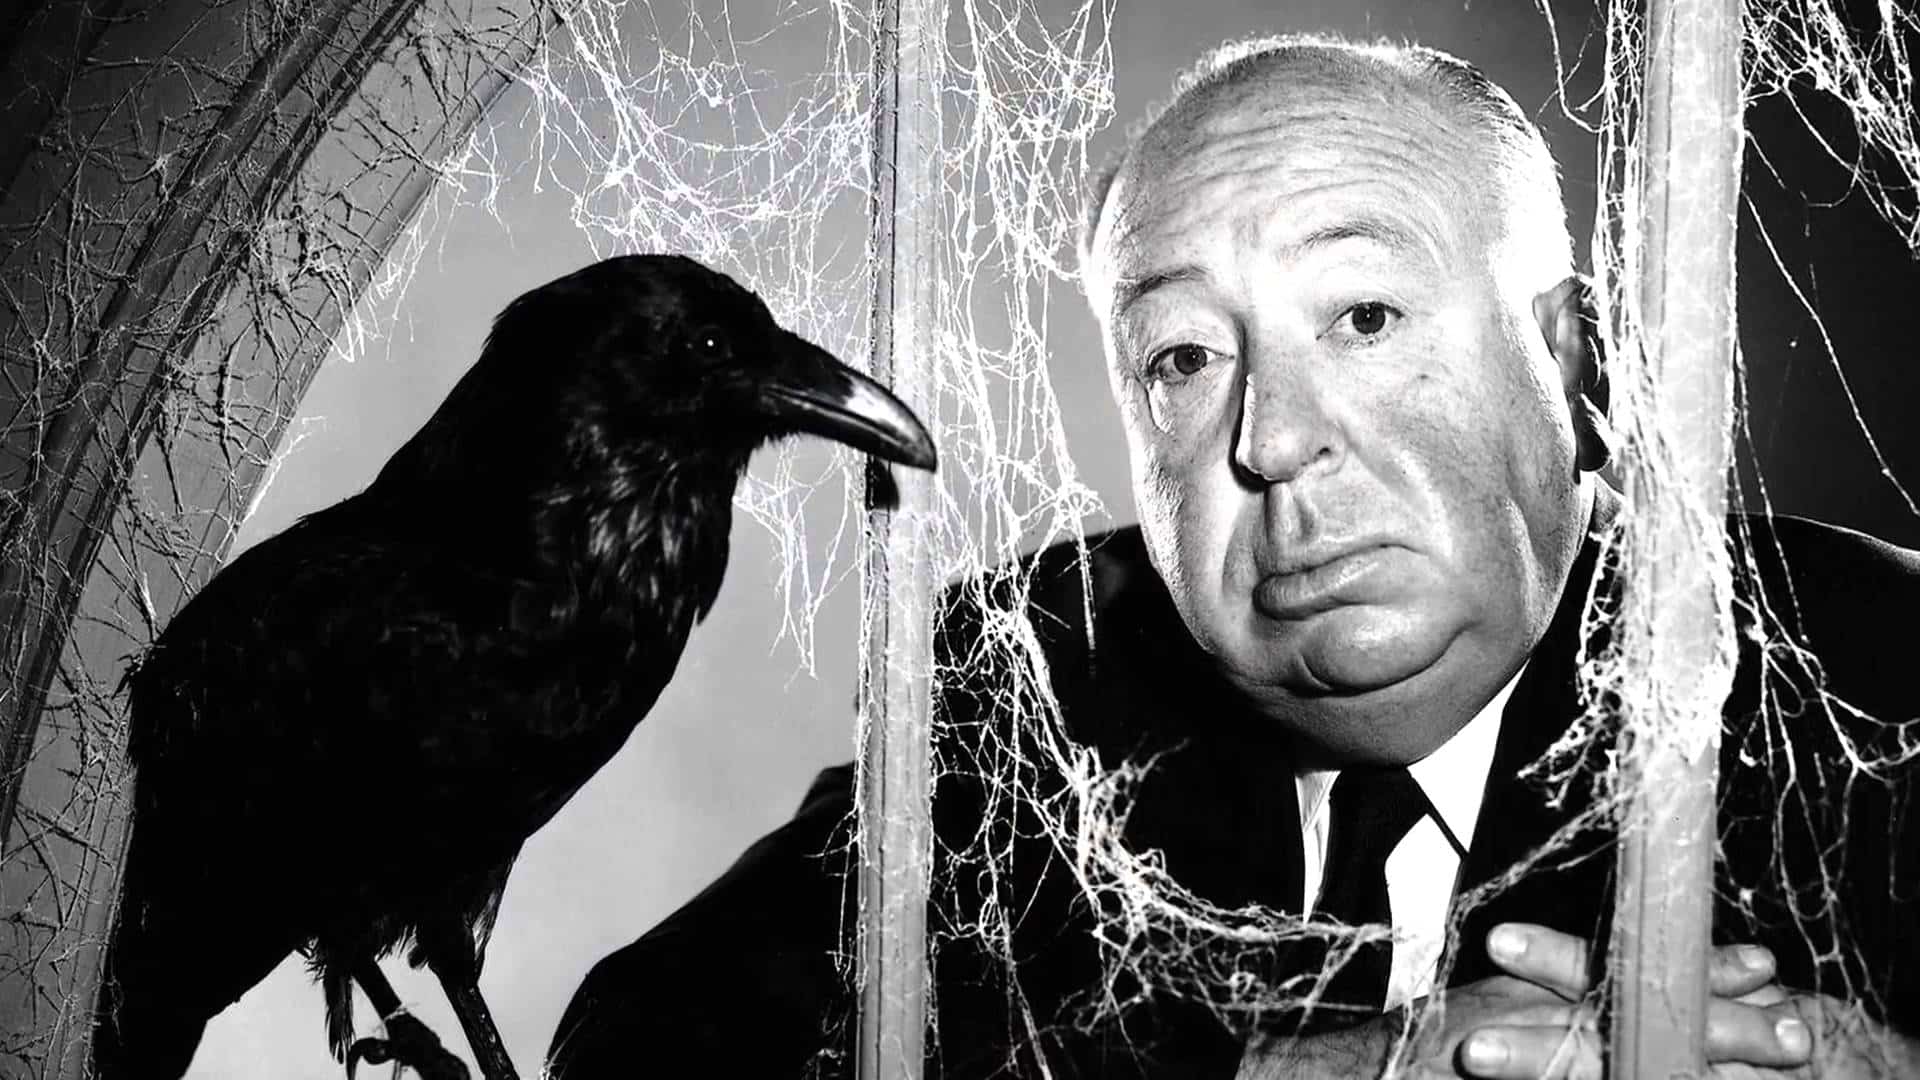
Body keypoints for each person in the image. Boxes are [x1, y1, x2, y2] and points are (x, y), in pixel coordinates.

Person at [547, 34, 1920, 1079]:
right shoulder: (1036, 683)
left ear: (1575, 364)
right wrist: (1318, 1072)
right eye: (1186, 359)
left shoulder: (1871, 669)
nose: (1271, 440)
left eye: (1365, 316)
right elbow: (643, 1044)